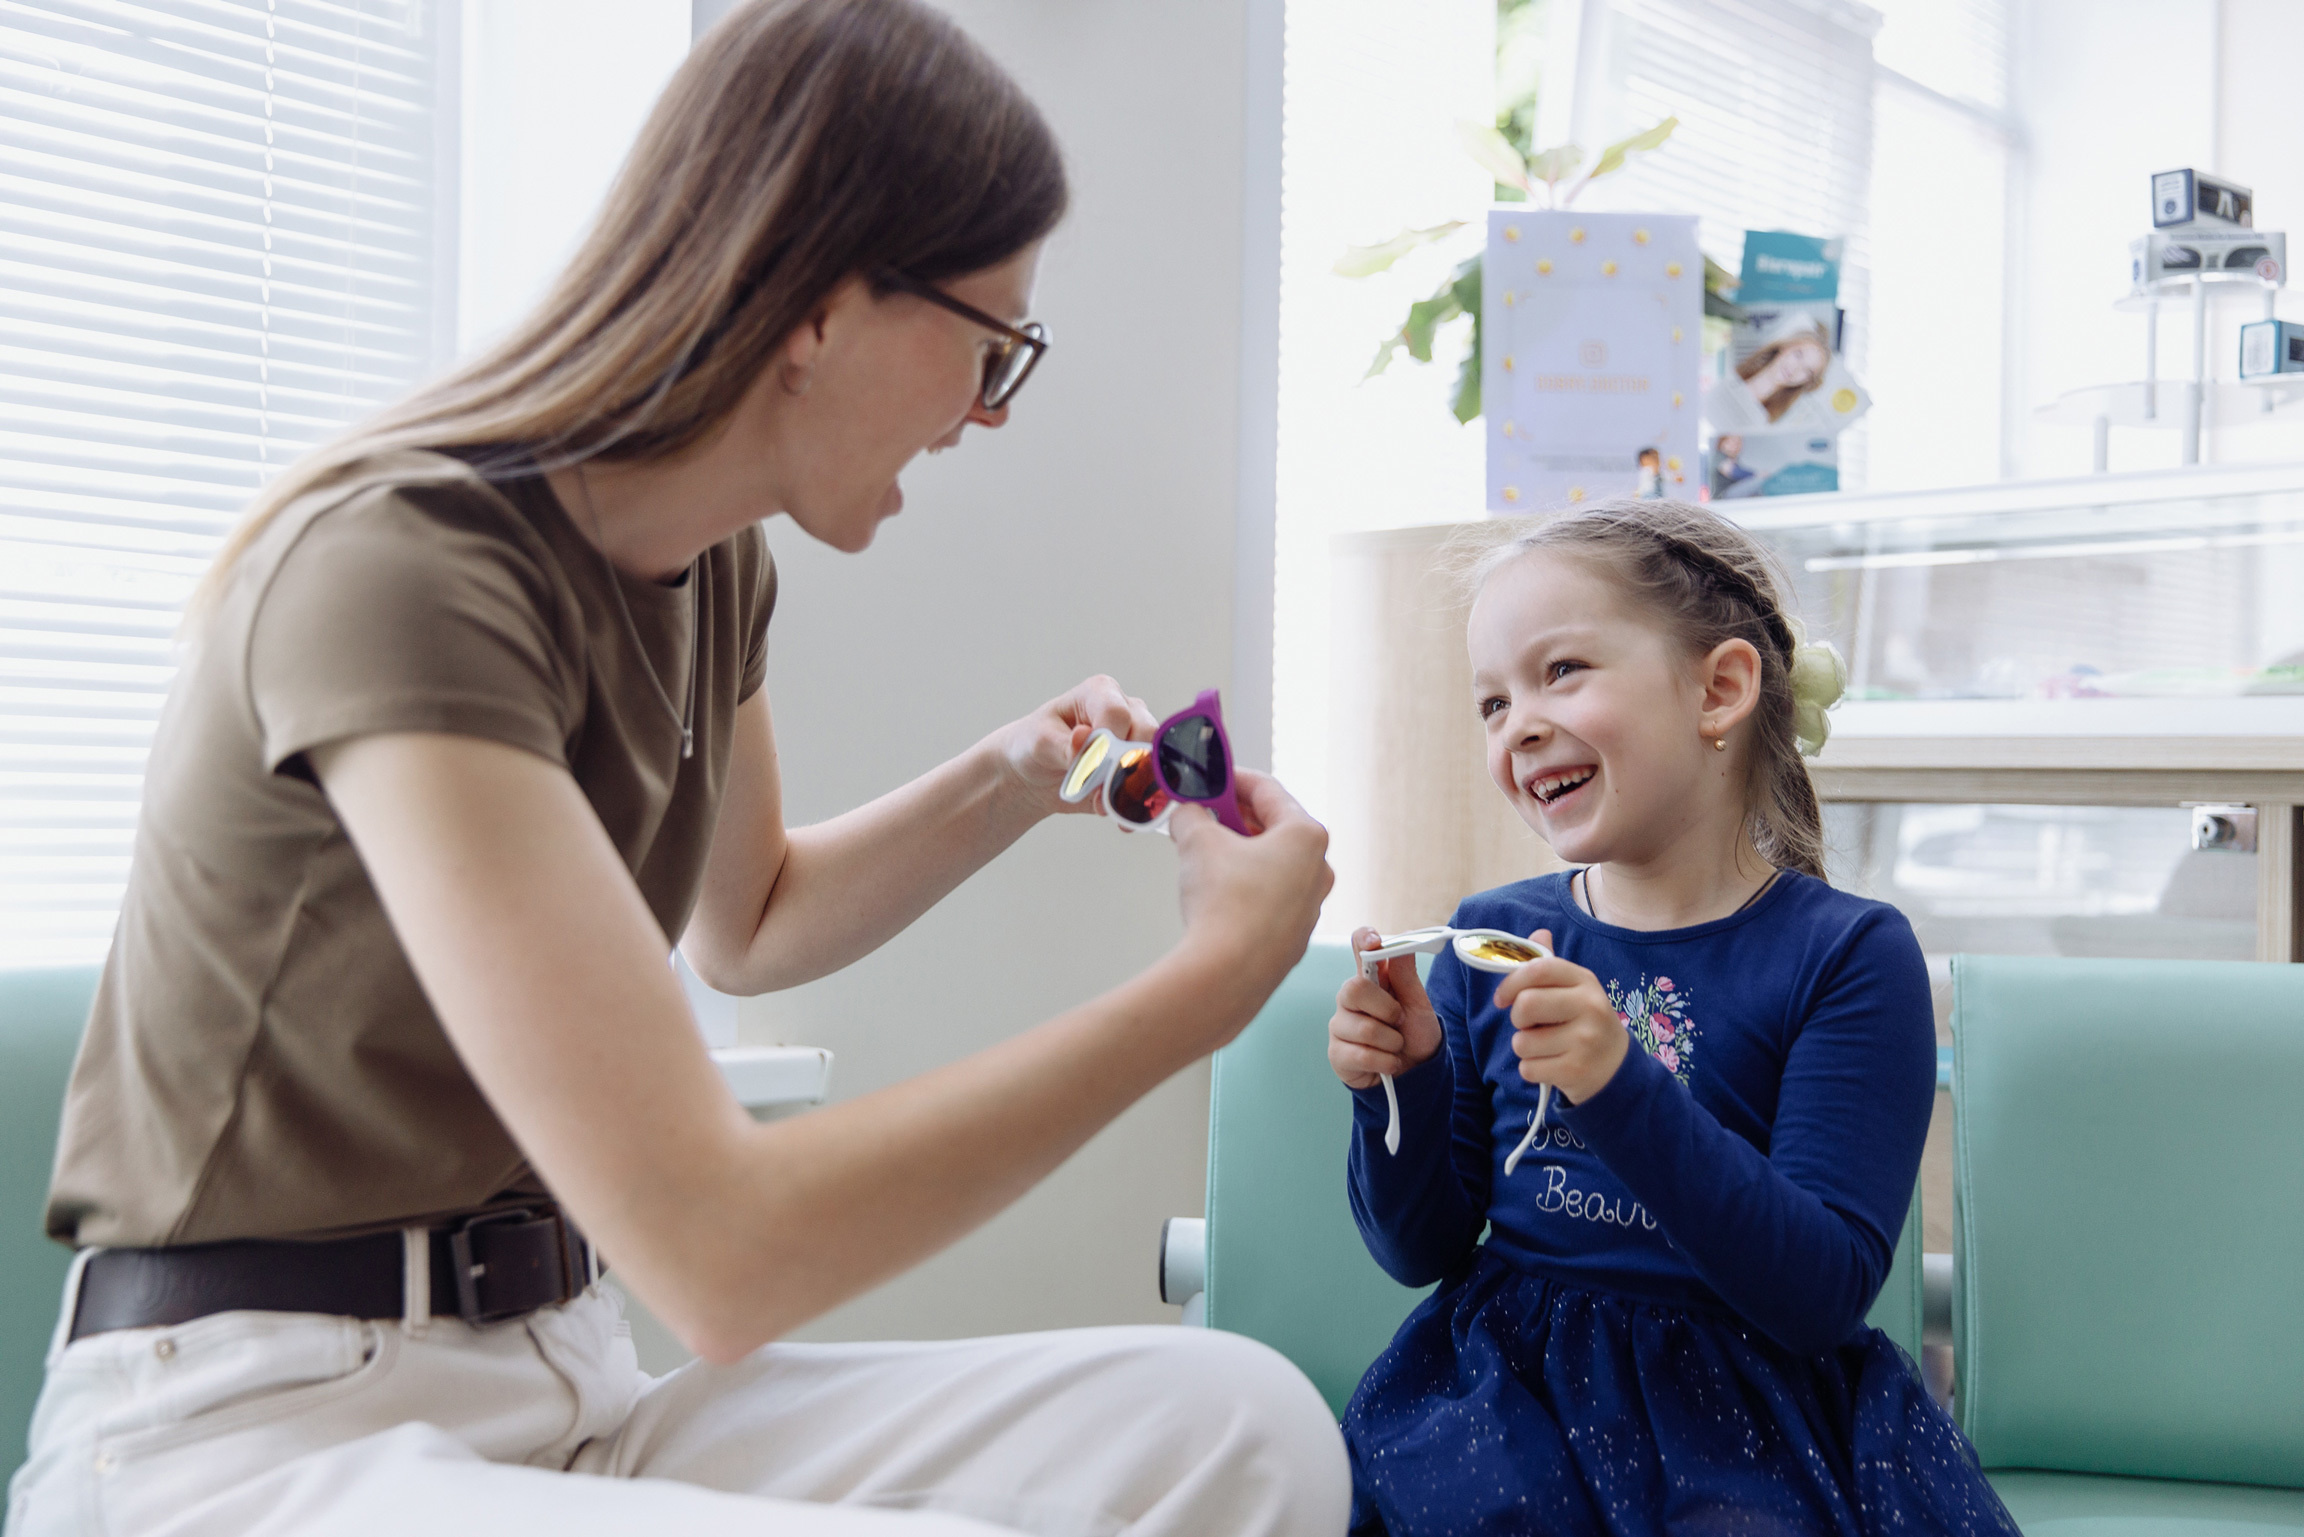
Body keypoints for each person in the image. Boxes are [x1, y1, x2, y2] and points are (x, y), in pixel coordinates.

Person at [7, 3, 1347, 1534]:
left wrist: (1009, 777)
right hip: (254, 1434)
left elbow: (755, 918)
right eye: (991, 349)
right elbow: (721, 1257)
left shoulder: (713, 572)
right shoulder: (404, 570)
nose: (987, 415)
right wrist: (1205, 990)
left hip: (567, 1387)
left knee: (1243, 1428)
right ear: (823, 303)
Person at [1323, 501, 2019, 1536]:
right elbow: (1419, 1244)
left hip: (1748, 1423)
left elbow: (1818, 1291)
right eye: (1490, 702)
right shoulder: (1494, 934)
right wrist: (1403, 1082)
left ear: (1720, 688)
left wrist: (1617, 1084)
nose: (1518, 721)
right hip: (1505, 1407)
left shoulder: (1848, 955)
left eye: (1562, 671)